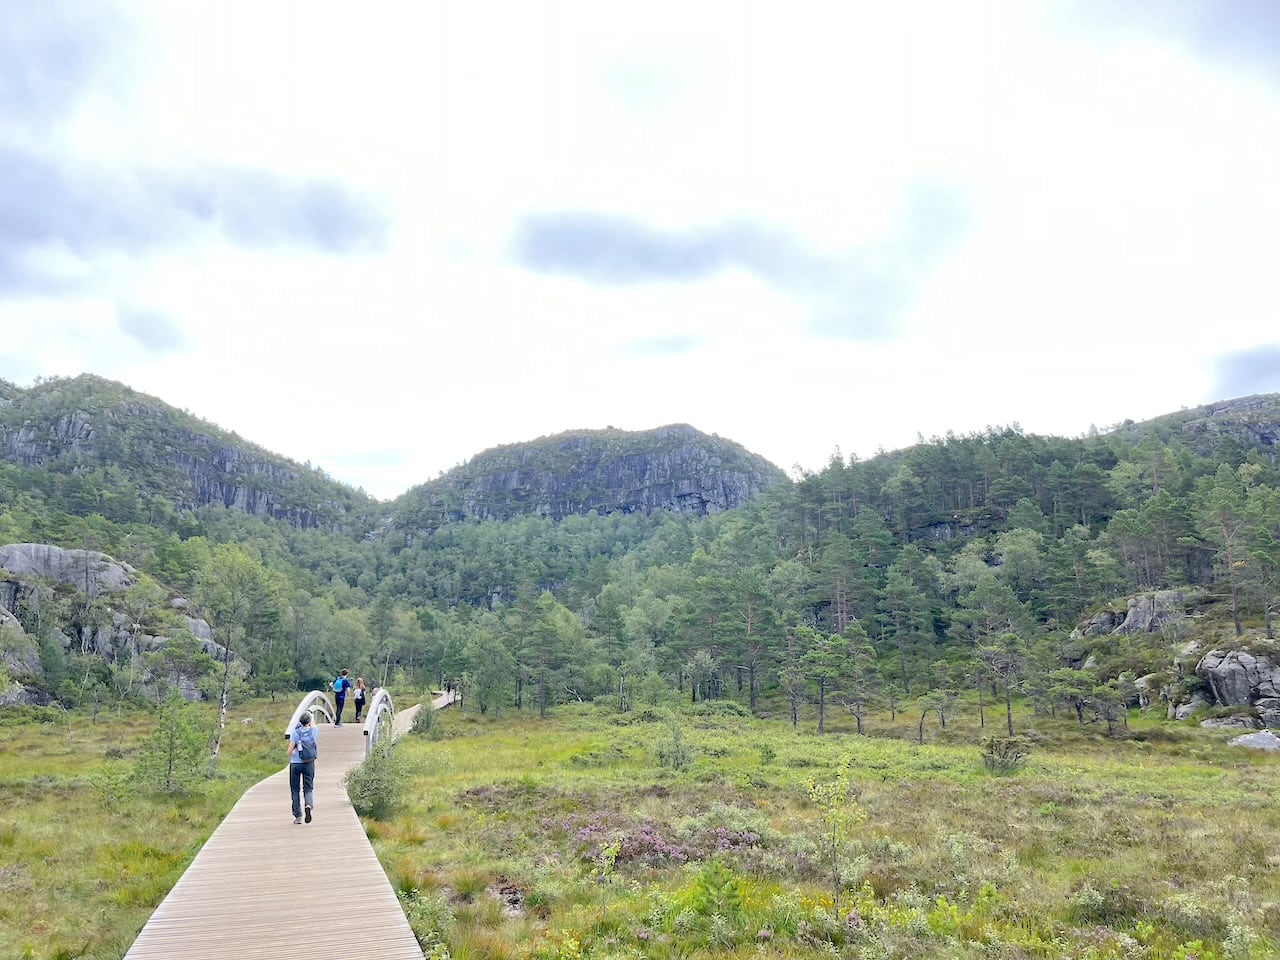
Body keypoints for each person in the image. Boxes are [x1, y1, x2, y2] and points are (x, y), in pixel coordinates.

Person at [288, 712, 318, 825]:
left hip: (295, 764)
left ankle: (298, 816)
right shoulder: (314, 731)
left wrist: (294, 751)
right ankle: (308, 805)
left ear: (300, 722)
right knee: (308, 788)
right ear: (309, 721)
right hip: (309, 763)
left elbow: (289, 752)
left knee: (295, 790)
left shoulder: (295, 733)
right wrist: (311, 716)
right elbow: (313, 725)